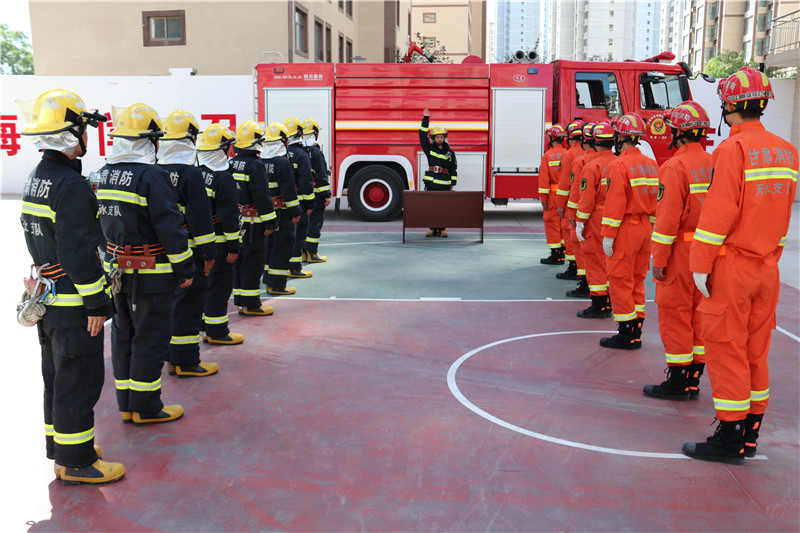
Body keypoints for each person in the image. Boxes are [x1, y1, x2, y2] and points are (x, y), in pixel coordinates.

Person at [683, 67, 798, 464]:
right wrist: (770, 256)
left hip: (733, 267)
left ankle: (729, 437)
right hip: (767, 268)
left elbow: (718, 213)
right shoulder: (787, 151)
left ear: (728, 106)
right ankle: (750, 433)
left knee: (726, 348)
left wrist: (700, 264)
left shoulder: (732, 150)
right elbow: (782, 215)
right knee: (755, 351)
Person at [18, 88, 124, 485]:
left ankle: (61, 449)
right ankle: (77, 461)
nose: (87, 136)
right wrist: (96, 304)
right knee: (79, 380)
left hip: (49, 300)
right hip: (73, 305)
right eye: (84, 129)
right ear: (73, 133)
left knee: (57, 378)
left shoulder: (37, 178)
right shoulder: (71, 185)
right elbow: (78, 253)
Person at [96, 102, 193, 424]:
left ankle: (128, 404)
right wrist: (185, 268)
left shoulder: (104, 173)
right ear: (151, 141)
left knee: (123, 337)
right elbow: (169, 227)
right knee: (150, 339)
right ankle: (147, 407)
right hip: (152, 275)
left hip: (116, 272)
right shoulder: (152, 176)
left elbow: (96, 224)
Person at [643, 101, 713, 401]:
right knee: (700, 315)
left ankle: (677, 381)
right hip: (709, 250)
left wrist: (659, 258)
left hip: (681, 252)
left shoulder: (674, 167)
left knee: (675, 315)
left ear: (678, 133)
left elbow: (667, 218)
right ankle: (694, 378)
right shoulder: (715, 162)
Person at [157, 110, 219, 376]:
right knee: (190, 306)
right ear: (191, 138)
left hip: (164, 252)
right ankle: (186, 361)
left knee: (173, 305)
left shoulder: (154, 170)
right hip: (191, 252)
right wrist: (209, 254)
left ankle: (173, 357)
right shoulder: (191, 174)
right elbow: (200, 218)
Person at [599, 113, 658, 349]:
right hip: (645, 228)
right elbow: (656, 201)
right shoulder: (652, 164)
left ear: (621, 136)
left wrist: (608, 235)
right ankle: (636, 330)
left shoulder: (618, 165)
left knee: (620, 280)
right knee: (637, 279)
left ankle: (626, 333)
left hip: (625, 229)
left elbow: (615, 203)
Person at [198, 124, 245, 345]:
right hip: (220, 243)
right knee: (219, 288)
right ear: (224, 148)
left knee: (204, 286)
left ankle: (204, 327)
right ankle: (217, 332)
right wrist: (234, 246)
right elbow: (228, 215)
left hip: (200, 243)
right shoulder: (223, 177)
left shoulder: (198, 172)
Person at [230, 121, 278, 315]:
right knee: (253, 263)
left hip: (237, 221)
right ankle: (252, 304)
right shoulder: (255, 165)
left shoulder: (231, 163)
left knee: (240, 262)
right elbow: (262, 196)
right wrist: (271, 222)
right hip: (253, 224)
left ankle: (241, 301)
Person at [574, 121, 616, 319]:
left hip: (596, 218)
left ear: (595, 141)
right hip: (616, 218)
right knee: (611, 260)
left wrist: (580, 222)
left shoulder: (592, 167)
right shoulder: (620, 163)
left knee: (594, 260)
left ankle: (599, 305)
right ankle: (610, 301)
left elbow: (587, 199)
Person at [263, 122, 303, 295]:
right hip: (282, 213)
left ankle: (268, 279)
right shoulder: (282, 162)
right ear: (283, 141)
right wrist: (295, 212)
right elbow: (289, 191)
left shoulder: (261, 160)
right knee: (283, 246)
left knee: (270, 246)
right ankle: (277, 285)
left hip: (268, 212)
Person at [564, 122, 598, 298]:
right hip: (609, 218)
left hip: (586, 214)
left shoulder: (582, 161)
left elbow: (576, 190)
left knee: (583, 249)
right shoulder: (615, 162)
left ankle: (586, 286)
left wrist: (572, 214)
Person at [284, 116, 315, 278]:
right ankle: (295, 268)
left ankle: (285, 266)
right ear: (300, 134)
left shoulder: (281, 153)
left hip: (284, 203)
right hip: (300, 203)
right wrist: (310, 203)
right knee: (299, 235)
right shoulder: (301, 155)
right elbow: (306, 181)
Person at [555, 119, 586, 280]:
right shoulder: (590, 153)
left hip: (572, 202)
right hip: (589, 204)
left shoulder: (569, 155)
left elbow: (564, 183)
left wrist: (560, 205)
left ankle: (574, 268)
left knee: (571, 236)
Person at [420, 107, 458, 237]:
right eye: (437, 137)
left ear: (444, 138)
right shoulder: (429, 149)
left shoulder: (450, 153)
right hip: (431, 184)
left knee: (443, 207)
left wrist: (452, 183)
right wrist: (426, 119)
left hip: (445, 184)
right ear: (433, 138)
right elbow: (422, 137)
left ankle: (442, 229)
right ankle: (432, 229)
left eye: (442, 137)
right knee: (431, 207)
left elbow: (453, 169)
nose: (439, 139)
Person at [300, 118, 331, 263]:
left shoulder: (299, 151)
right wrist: (326, 195)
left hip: (302, 195)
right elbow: (321, 175)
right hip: (316, 196)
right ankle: (312, 253)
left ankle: (303, 253)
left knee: (303, 225)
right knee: (315, 224)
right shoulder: (315, 152)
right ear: (315, 133)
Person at [538, 123, 568, 265]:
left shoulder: (548, 156)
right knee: (563, 224)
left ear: (552, 138)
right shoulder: (568, 154)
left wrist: (543, 199)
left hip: (552, 196)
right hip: (566, 195)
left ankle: (555, 255)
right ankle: (563, 252)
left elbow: (544, 180)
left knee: (552, 224)